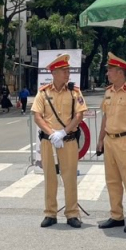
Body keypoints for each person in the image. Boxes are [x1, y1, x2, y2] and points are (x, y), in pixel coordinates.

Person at [31, 54, 87, 228]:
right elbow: (37, 116)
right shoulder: (43, 92)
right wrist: (52, 134)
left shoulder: (74, 92)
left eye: (68, 70)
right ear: (54, 73)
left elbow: (79, 115)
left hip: (68, 140)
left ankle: (72, 213)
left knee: (69, 178)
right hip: (49, 142)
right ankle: (50, 213)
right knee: (50, 177)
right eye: (64, 71)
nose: (67, 73)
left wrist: (63, 132)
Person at [96, 52, 126, 233]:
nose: (107, 73)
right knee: (112, 181)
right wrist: (100, 139)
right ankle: (116, 215)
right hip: (109, 140)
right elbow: (105, 117)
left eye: (110, 70)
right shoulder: (108, 91)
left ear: (120, 72)